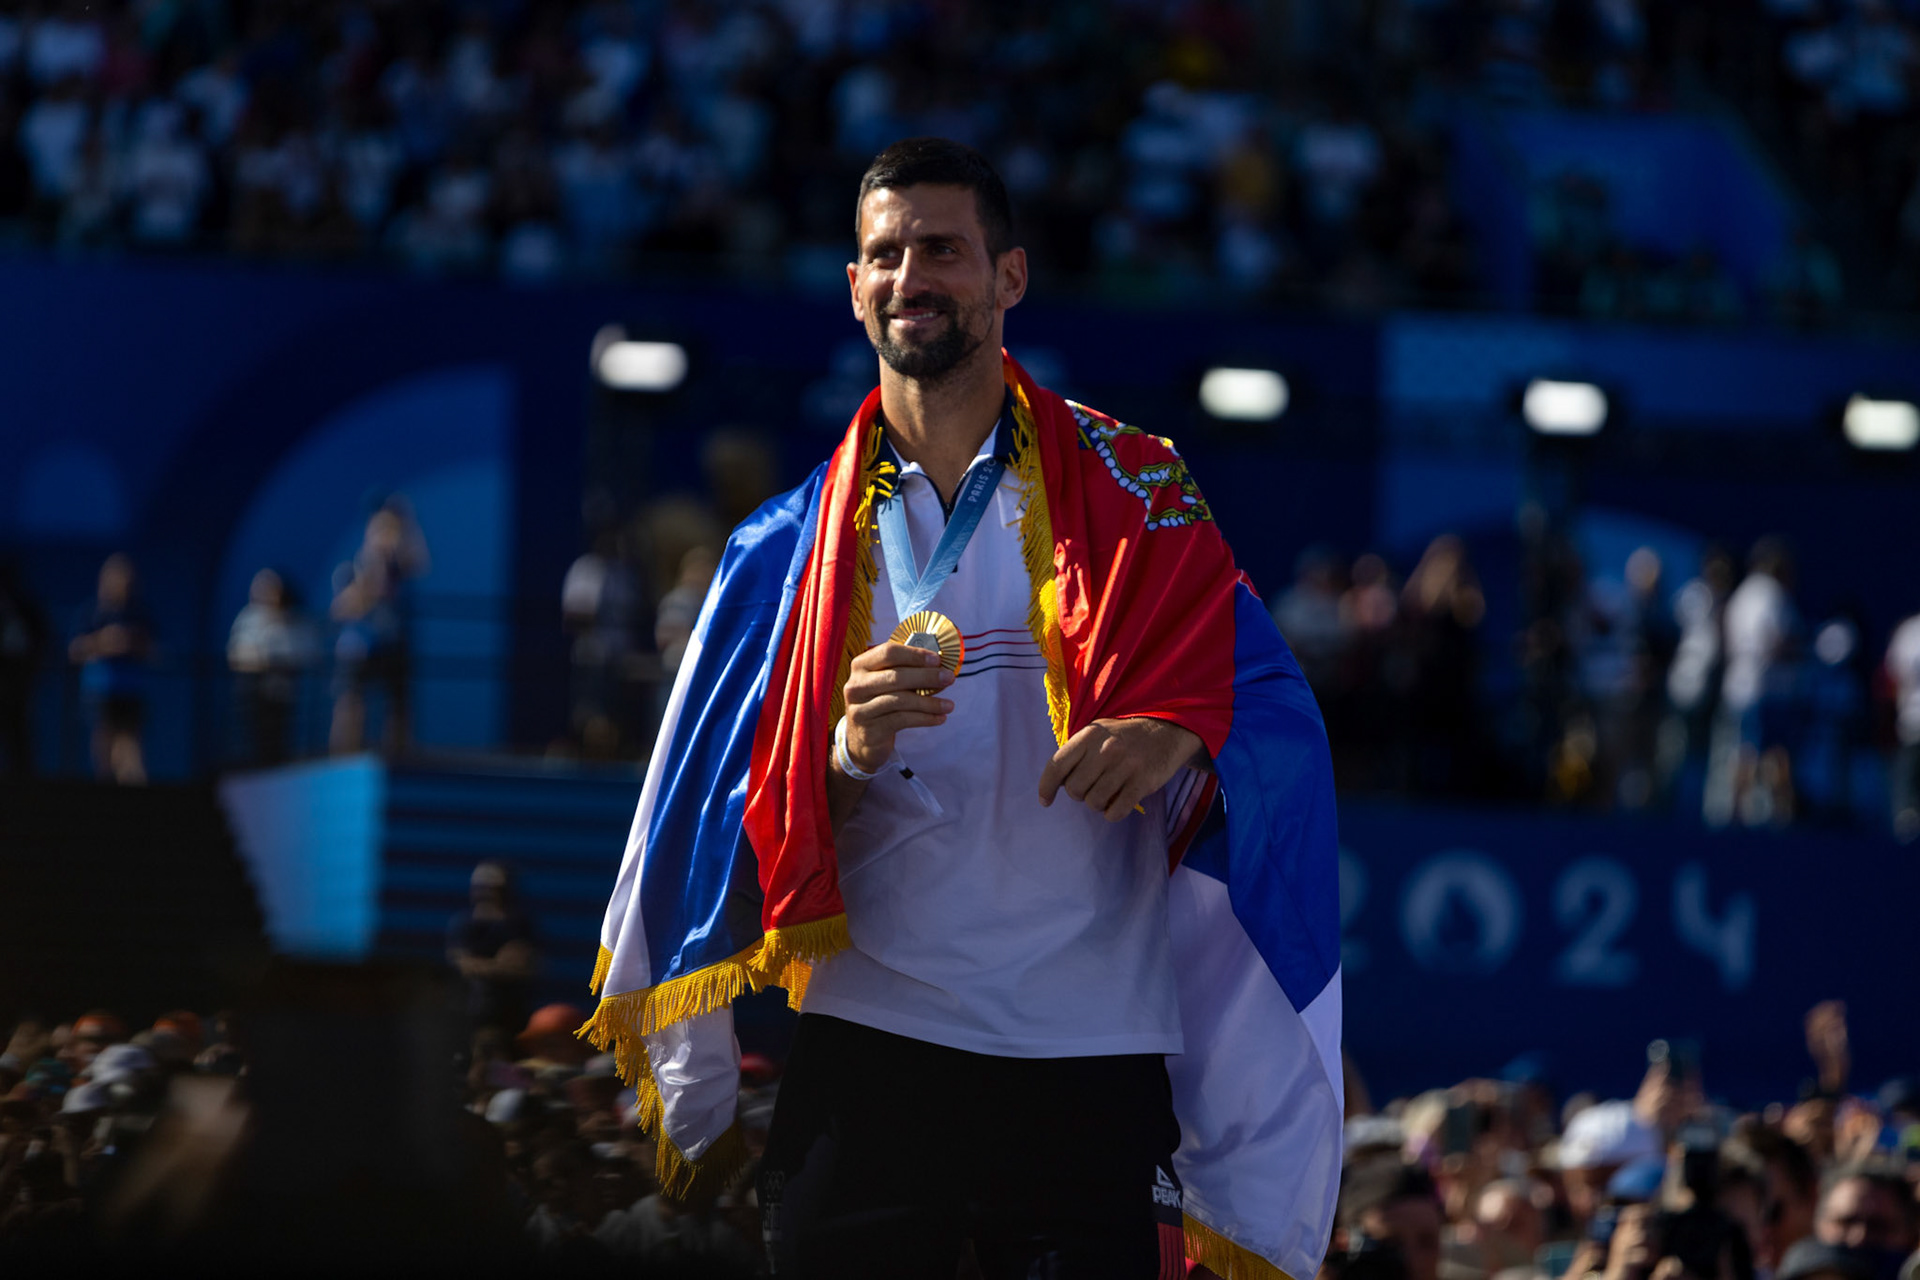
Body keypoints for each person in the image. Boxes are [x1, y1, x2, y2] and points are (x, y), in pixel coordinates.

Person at [581, 138, 1341, 1280]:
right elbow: (711, 825)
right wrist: (837, 747)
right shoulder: (782, 554)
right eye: (885, 253)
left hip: (1090, 1051)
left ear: (1009, 277)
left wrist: (1177, 727)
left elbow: (1275, 709)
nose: (910, 276)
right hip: (876, 1050)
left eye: (942, 248)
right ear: (853, 286)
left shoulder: (1140, 496)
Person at [67, 554, 153, 784]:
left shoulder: (137, 613)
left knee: (129, 739)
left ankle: (132, 782)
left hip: (131, 688)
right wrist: (103, 642)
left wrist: (130, 641)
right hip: (100, 689)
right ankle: (105, 784)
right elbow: (75, 649)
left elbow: (154, 649)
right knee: (104, 736)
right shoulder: (92, 612)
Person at [227, 568, 318, 766]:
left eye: (270, 589)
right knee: (255, 737)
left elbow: (307, 652)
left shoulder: (296, 621)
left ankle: (279, 766)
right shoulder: (248, 618)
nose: (264, 593)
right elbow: (236, 653)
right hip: (253, 692)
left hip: (284, 693)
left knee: (280, 736)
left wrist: (278, 662)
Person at [447, 861, 539, 1036]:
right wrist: (499, 965)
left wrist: (482, 965)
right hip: (472, 1009)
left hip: (514, 1010)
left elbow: (524, 966)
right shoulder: (464, 924)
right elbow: (463, 966)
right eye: (482, 888)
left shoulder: (520, 925)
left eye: (493, 888)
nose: (487, 893)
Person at [1885, 612, 1920, 842]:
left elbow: (1893, 677)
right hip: (1912, 722)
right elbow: (1892, 678)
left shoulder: (1908, 631)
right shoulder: (1909, 632)